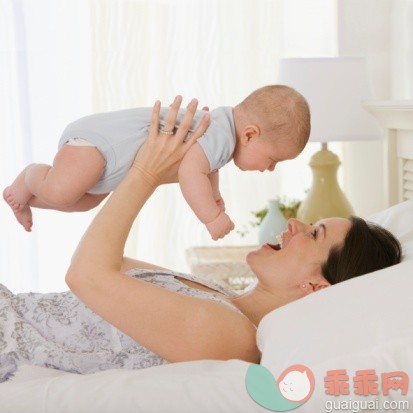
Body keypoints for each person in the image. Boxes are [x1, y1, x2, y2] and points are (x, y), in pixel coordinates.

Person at [0, 98, 401, 382]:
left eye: (314, 233)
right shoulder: (218, 296)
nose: (295, 223)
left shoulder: (233, 335)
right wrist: (140, 163)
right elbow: (111, 265)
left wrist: (146, 172)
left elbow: (86, 275)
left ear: (315, 285)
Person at [3, 85, 310, 240]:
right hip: (99, 146)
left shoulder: (222, 138)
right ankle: (30, 176)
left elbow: (204, 169)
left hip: (108, 167)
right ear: (251, 134)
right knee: (62, 193)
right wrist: (210, 217)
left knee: (84, 202)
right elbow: (192, 173)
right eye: (273, 160)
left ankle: (28, 198)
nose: (269, 169)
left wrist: (215, 198)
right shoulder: (220, 134)